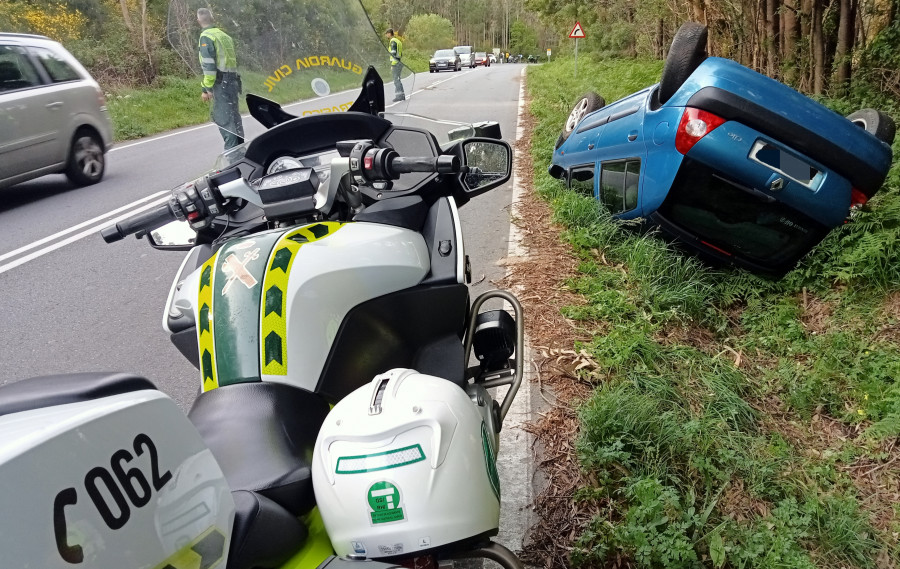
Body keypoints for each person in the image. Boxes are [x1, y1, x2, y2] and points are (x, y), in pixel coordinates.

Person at [197, 8, 244, 150]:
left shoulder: (206, 37)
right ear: (213, 19)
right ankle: (243, 156)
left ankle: (233, 162)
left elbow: (209, 66)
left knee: (225, 123)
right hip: (233, 82)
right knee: (236, 121)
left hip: (220, 84)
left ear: (198, 21)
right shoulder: (224, 36)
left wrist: (206, 89)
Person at [384, 28, 405, 102]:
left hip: (395, 63)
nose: (386, 35)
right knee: (398, 79)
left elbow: (393, 53)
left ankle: (399, 96)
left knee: (396, 80)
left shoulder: (392, 42)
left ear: (389, 33)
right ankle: (402, 95)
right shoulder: (398, 41)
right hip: (399, 62)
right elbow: (400, 54)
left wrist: (392, 65)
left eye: (386, 34)